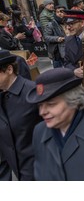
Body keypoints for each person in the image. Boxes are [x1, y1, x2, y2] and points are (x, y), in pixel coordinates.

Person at [0, 50, 40, 180]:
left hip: (39, 171)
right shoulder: (2, 94)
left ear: (9, 69)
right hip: (18, 170)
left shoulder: (34, 92)